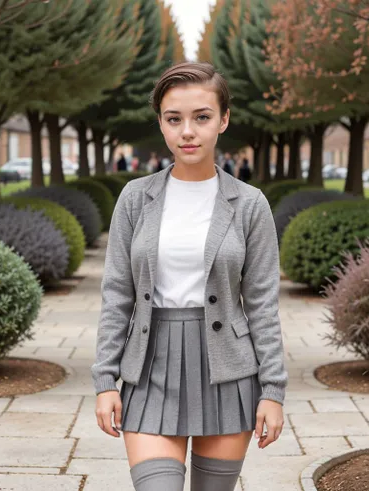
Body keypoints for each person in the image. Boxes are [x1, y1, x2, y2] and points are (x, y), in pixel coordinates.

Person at [91, 61, 288, 491]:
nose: (187, 131)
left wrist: (273, 391)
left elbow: (261, 303)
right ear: (160, 123)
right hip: (149, 367)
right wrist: (105, 379)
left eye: (201, 117)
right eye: (173, 118)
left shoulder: (249, 204)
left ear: (223, 120)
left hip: (228, 371)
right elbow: (117, 295)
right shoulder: (135, 198)